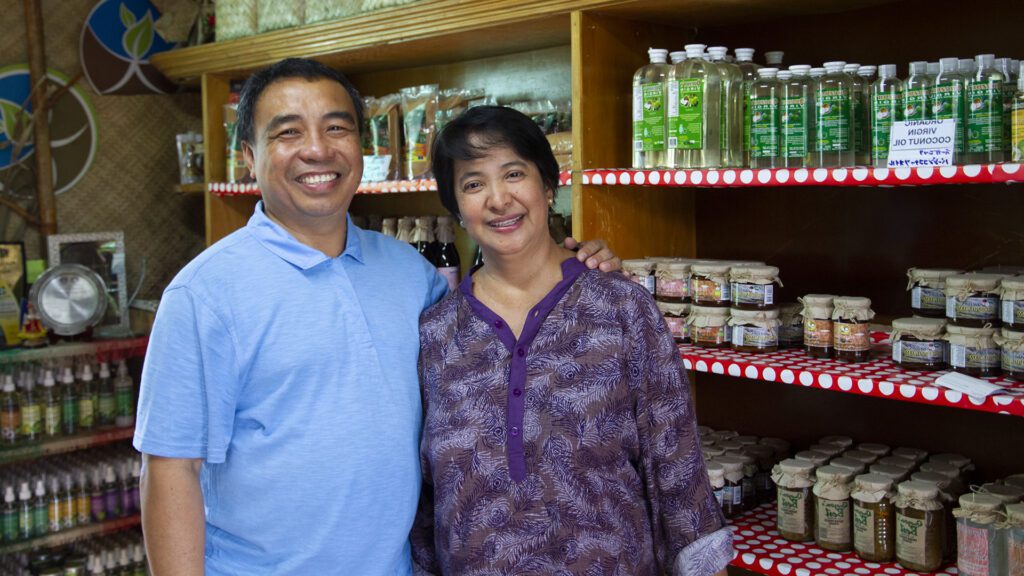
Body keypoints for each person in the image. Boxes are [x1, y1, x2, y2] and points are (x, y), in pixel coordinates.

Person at [133, 58, 618, 575]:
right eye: (288, 132)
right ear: (249, 157)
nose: (318, 149)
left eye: (336, 127)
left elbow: (505, 326)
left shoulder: (411, 275)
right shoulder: (204, 293)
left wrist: (575, 269)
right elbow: (169, 470)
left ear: (362, 149)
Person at [411, 106, 733, 575]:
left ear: (547, 186)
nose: (499, 199)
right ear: (457, 209)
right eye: (473, 183)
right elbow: (423, 501)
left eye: (514, 173)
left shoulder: (622, 308)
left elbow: (677, 471)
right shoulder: (435, 333)